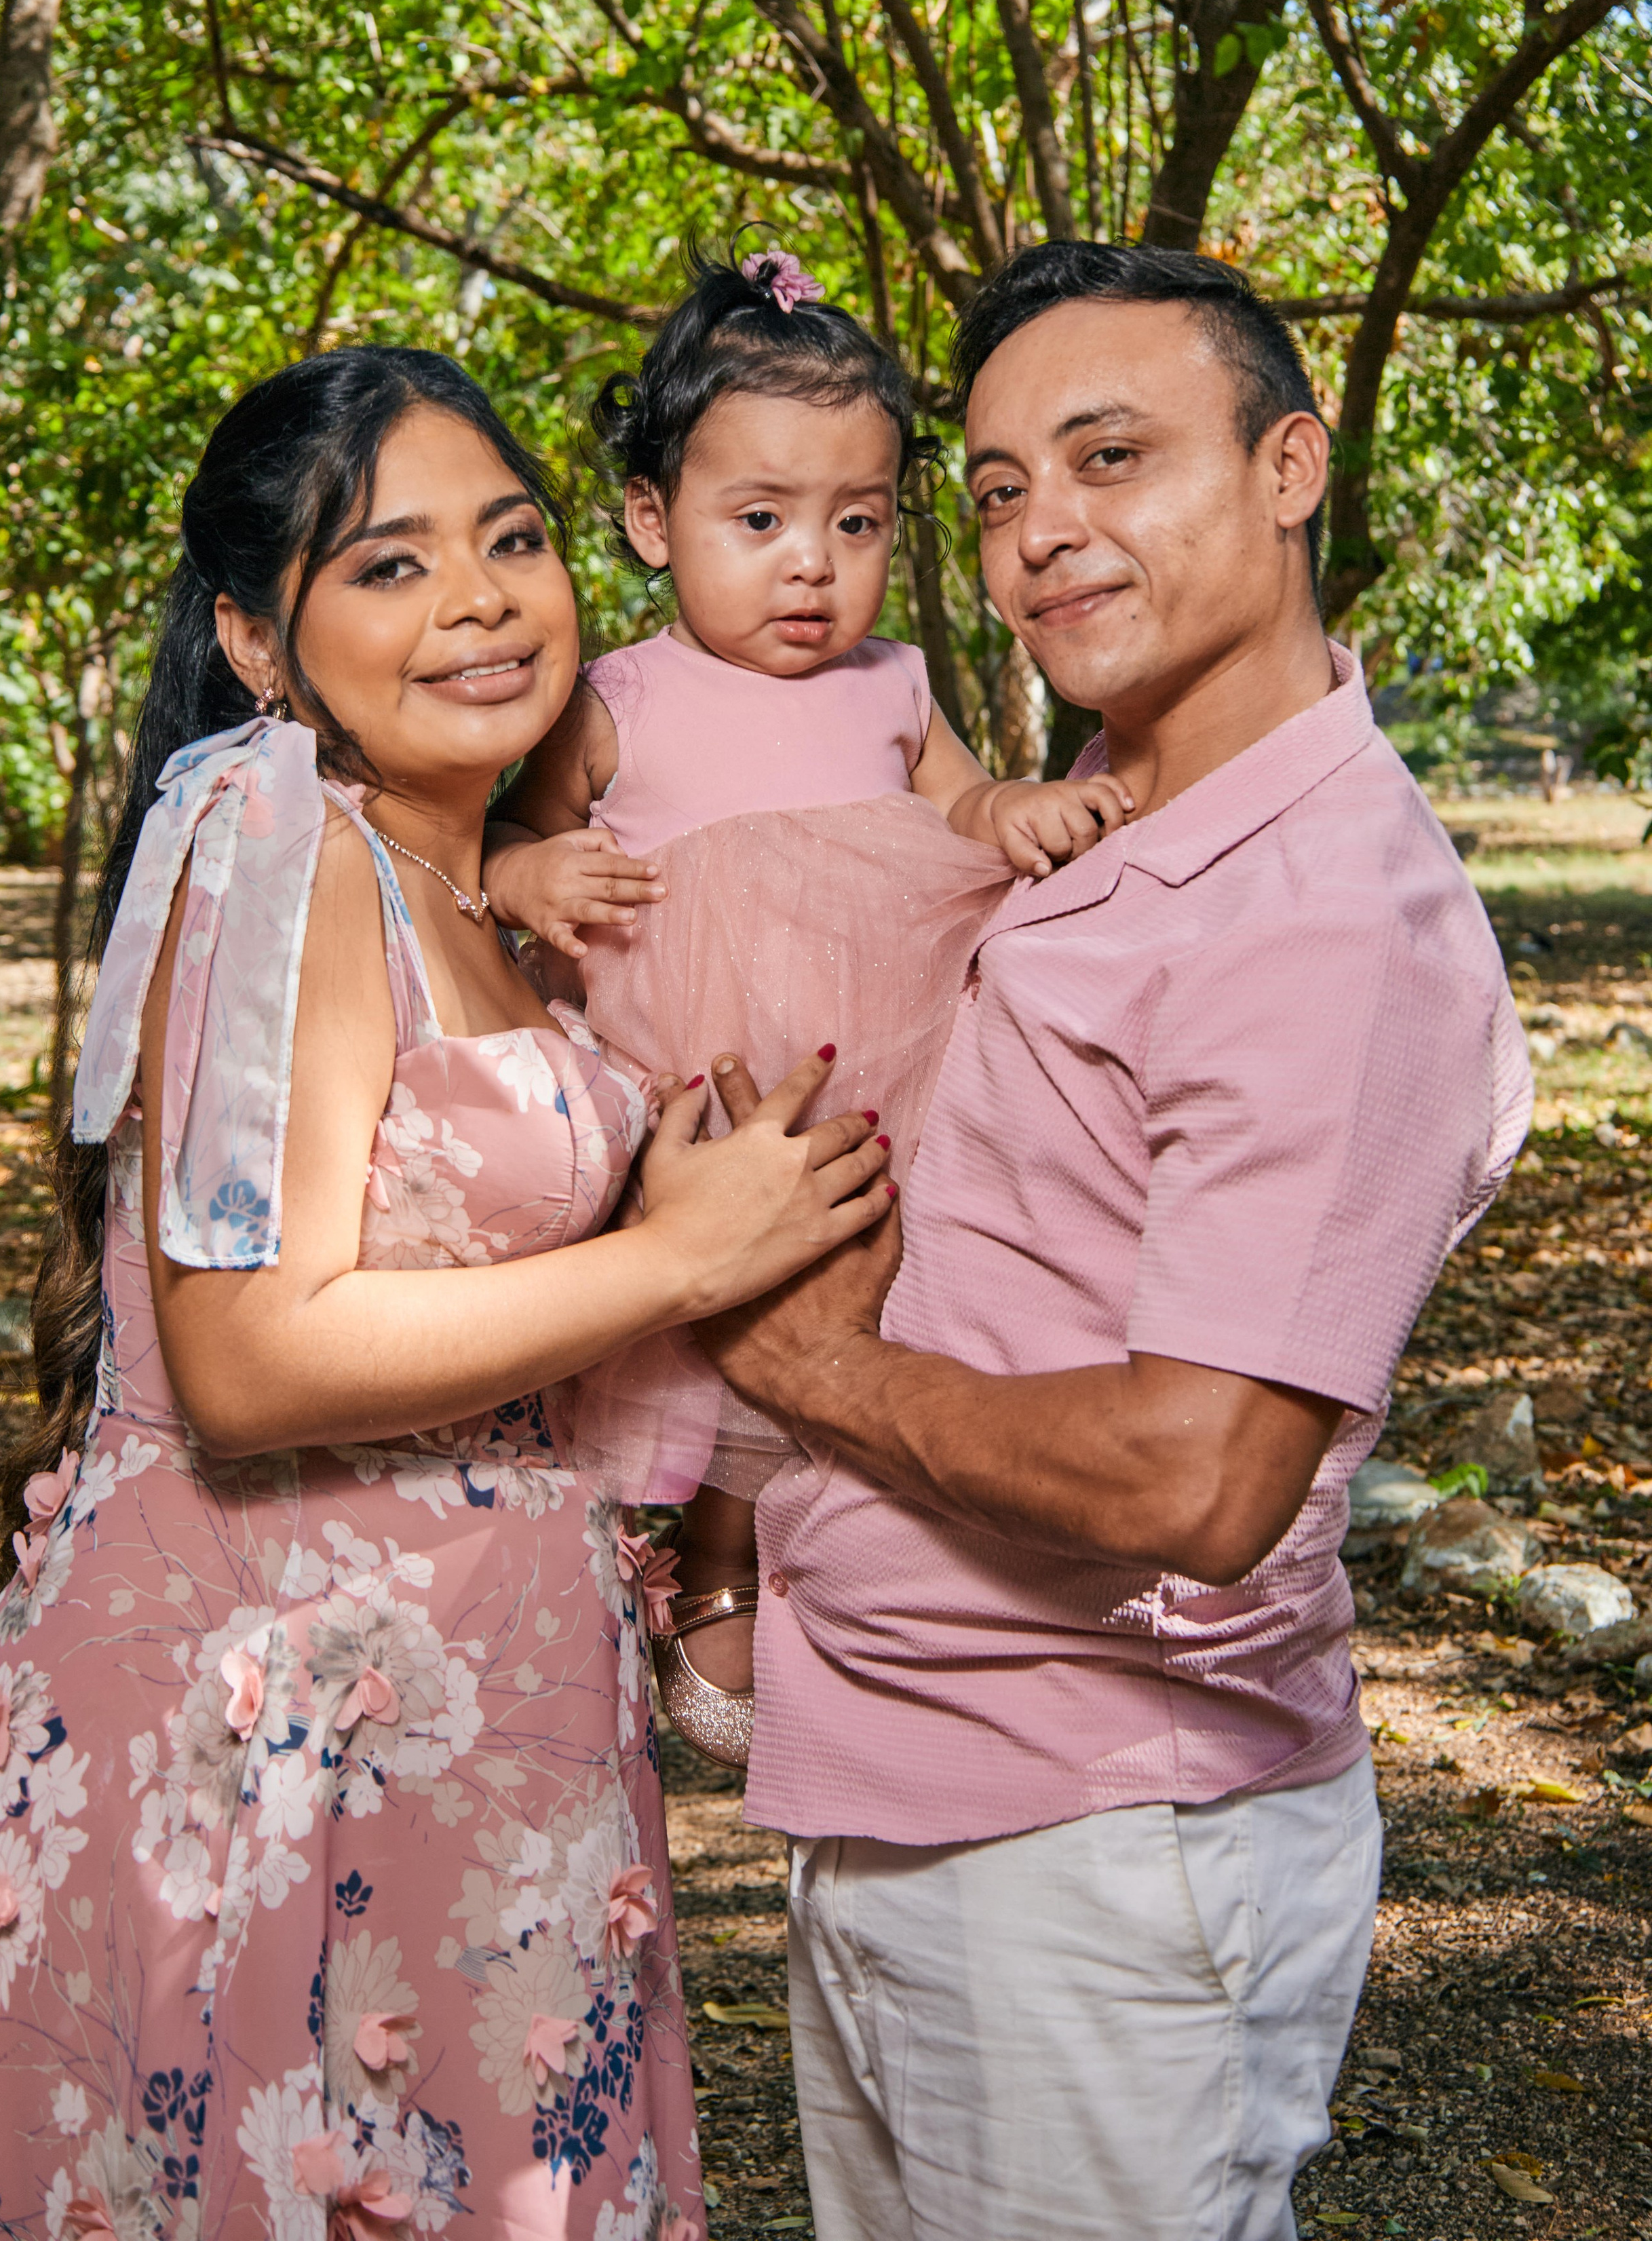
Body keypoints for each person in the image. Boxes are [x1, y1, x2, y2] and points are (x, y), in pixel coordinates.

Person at [0, 349, 892, 2236]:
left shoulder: (478, 882)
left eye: (510, 542)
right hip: (265, 1752)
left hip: (472, 1740)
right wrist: (676, 1256)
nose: (476, 601)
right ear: (256, 642)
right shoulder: (284, 863)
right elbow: (251, 1354)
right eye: (388, 565)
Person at [693, 243, 1533, 2241]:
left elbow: (1200, 1472)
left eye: (1111, 456)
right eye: (994, 489)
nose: (1042, 530)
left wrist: (808, 1367)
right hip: (904, 1784)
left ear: (1289, 468)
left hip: (1098, 1842)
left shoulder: (1330, 917)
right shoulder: (1103, 817)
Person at [486, 246, 1130, 1759]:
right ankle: (696, 1558)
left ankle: (803, 1559)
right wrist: (531, 884)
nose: (810, 565)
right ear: (651, 522)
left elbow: (961, 817)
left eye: (856, 523)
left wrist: (1015, 817)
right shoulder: (615, 698)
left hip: (873, 1073)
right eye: (759, 520)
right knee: (703, 1324)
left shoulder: (894, 683)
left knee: (855, 1310)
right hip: (693, 1082)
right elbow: (501, 842)